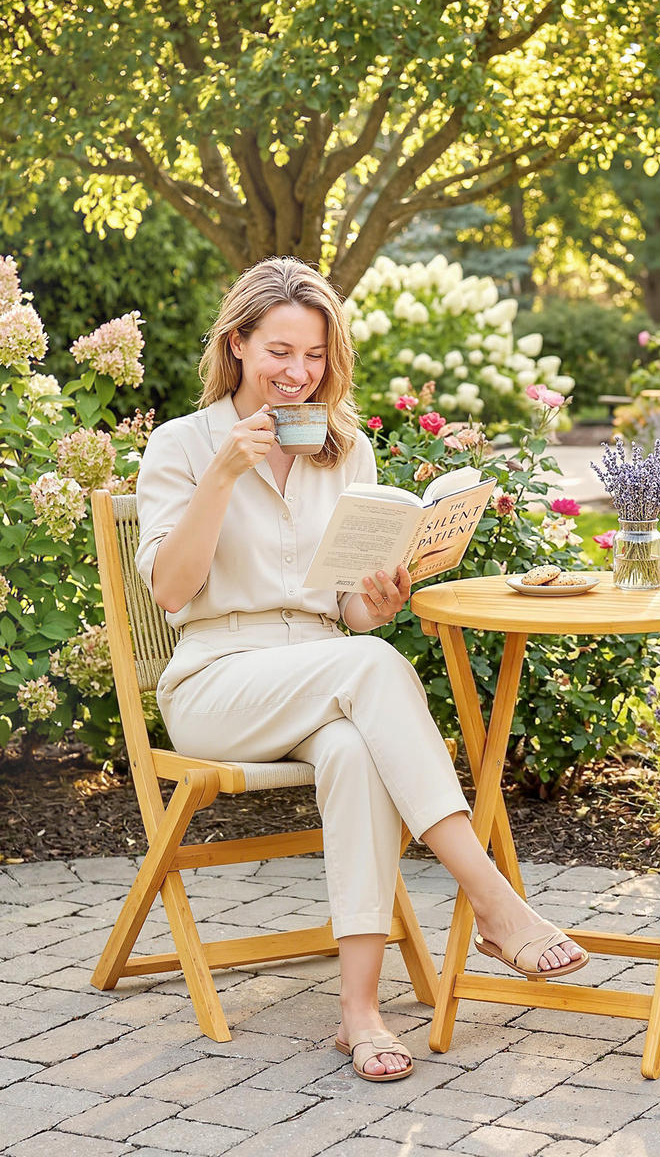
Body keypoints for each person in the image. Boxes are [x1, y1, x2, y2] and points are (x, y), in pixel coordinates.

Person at [135, 256, 587, 1083]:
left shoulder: (341, 450)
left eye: (314, 357)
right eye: (279, 352)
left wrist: (377, 599)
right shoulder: (183, 445)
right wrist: (226, 473)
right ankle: (492, 899)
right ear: (237, 344)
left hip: (322, 665)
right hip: (216, 679)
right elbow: (170, 588)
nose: (298, 374)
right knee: (370, 670)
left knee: (354, 742)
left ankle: (361, 1014)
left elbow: (346, 609)